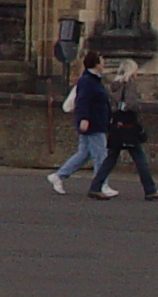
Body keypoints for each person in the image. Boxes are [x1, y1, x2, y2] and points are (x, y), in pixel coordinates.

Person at [89, 56, 158, 202]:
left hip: (116, 126)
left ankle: (95, 187)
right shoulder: (129, 83)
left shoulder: (113, 85)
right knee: (139, 159)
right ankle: (150, 190)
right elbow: (131, 104)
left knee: (111, 159)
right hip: (128, 127)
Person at [47, 51, 113, 196]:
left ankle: (59, 175)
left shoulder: (93, 79)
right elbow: (82, 101)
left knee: (84, 154)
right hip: (93, 123)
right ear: (96, 63)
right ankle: (101, 184)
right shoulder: (87, 80)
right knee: (101, 155)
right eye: (101, 60)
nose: (103, 62)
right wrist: (84, 119)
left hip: (94, 121)